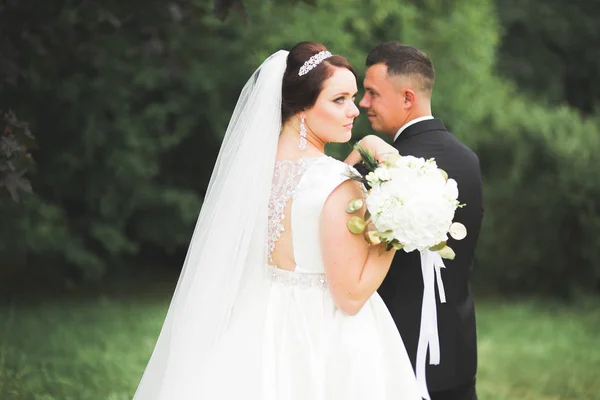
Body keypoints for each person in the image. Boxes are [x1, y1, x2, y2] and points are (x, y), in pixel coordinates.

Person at [132, 41, 421, 400]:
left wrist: (369, 151)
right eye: (339, 99)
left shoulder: (253, 174)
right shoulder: (339, 185)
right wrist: (399, 225)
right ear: (301, 109)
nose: (353, 111)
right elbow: (350, 296)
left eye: (353, 97)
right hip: (324, 334)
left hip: (261, 321)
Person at [352, 42, 484, 400]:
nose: (363, 104)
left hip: (390, 351)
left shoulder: (376, 167)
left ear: (407, 97)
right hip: (456, 351)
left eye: (372, 93)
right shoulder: (468, 161)